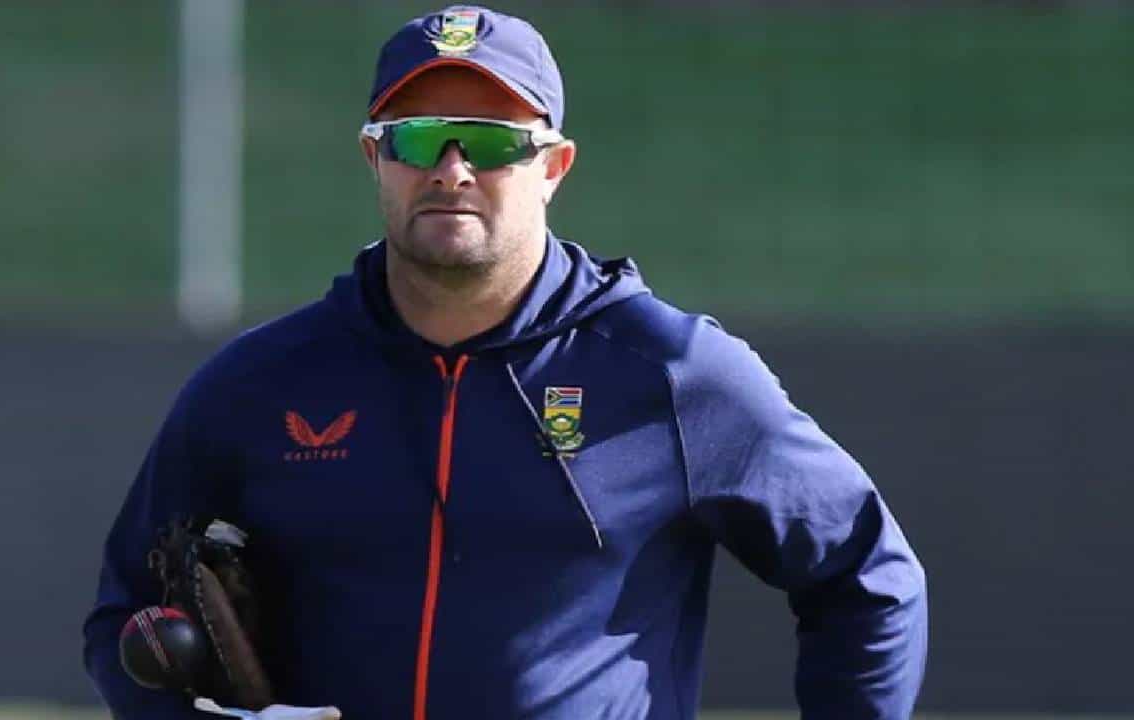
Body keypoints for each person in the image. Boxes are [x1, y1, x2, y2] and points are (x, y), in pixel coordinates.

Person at [83, 5, 928, 719]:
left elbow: (869, 578)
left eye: (490, 144)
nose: (452, 170)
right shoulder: (260, 383)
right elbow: (126, 613)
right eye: (418, 139)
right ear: (376, 158)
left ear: (552, 166)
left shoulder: (672, 372)